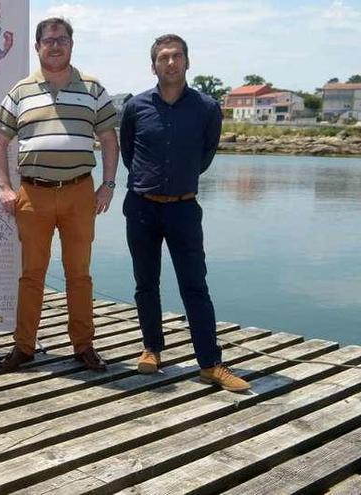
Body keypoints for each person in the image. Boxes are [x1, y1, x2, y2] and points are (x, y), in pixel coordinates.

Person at [120, 34, 249, 392]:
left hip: (184, 209)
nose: (171, 63)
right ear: (154, 65)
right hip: (142, 207)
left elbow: (205, 156)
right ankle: (152, 349)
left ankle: (210, 364)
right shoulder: (135, 107)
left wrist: (178, 181)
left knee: (195, 287)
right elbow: (130, 153)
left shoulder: (206, 108)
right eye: (163, 58)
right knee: (146, 284)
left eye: (177, 56)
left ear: (187, 62)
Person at [0, 17, 119, 372]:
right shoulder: (20, 91)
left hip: (80, 193)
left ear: (71, 45)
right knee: (32, 274)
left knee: (80, 274)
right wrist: (4, 186)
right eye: (48, 40)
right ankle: (24, 346)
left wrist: (108, 185)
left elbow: (109, 138)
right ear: (37, 47)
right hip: (33, 194)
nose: (56, 45)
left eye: (62, 39)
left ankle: (84, 346)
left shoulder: (92, 88)